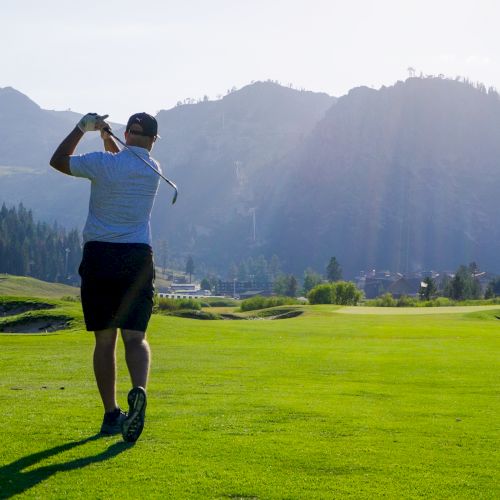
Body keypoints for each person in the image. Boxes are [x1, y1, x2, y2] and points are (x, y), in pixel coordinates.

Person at [50, 112, 162, 442]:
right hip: (137, 258)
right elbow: (127, 159)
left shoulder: (102, 164)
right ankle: (138, 389)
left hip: (101, 256)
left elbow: (58, 161)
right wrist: (107, 138)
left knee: (104, 340)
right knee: (135, 338)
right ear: (153, 141)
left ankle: (112, 413)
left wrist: (83, 129)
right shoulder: (154, 170)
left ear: (128, 133)